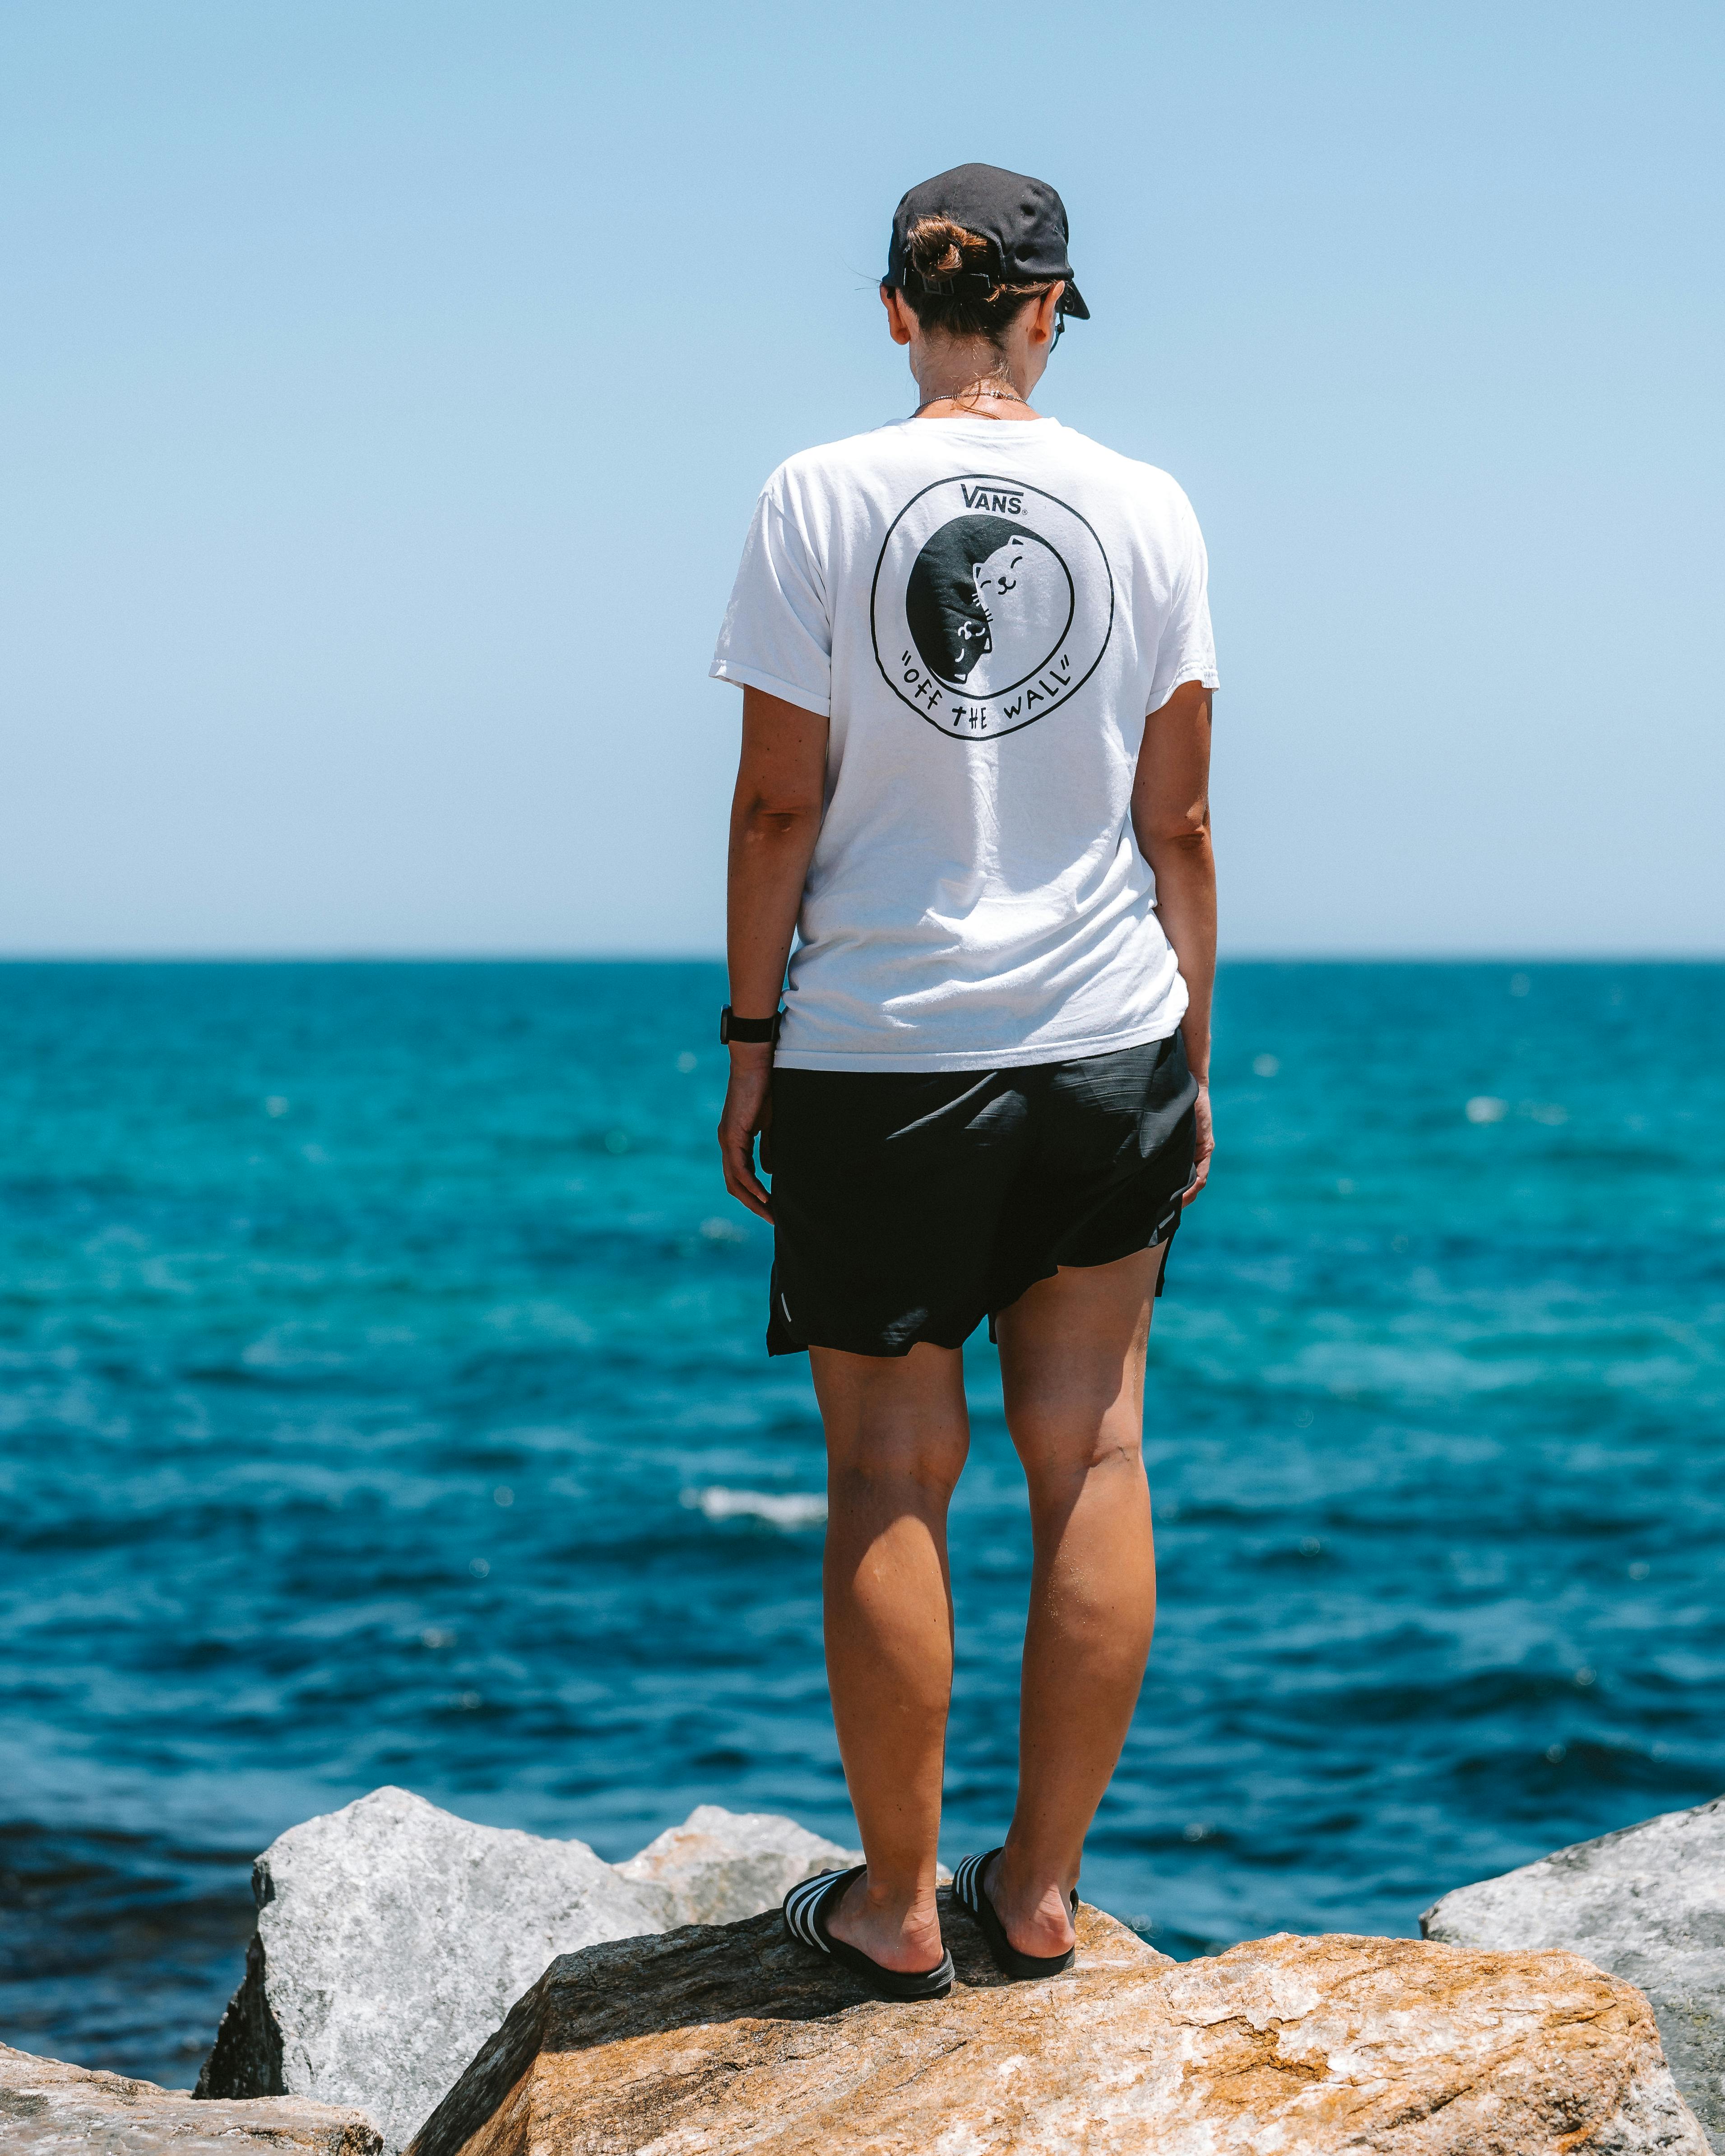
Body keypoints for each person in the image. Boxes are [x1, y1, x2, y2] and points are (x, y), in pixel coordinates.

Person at [709, 163, 1218, 2000]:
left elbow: (778, 800)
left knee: (886, 1472)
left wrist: (750, 1043)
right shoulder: (1149, 508)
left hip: (881, 1050)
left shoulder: (813, 495)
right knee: (1090, 1450)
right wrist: (1192, 1057)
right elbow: (1178, 820)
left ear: (893, 308)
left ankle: (899, 1906)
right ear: (1041, 313)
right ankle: (1042, 1897)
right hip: (1105, 1037)